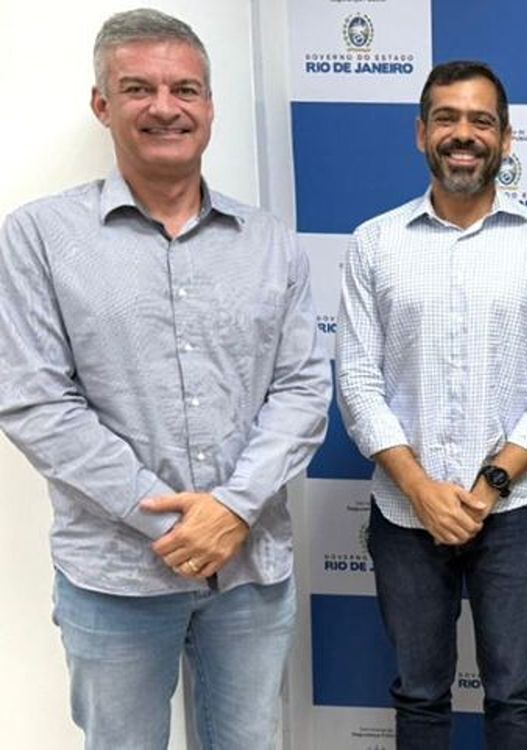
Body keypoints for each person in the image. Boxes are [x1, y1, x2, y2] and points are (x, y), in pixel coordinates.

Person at [0, 9, 332, 749]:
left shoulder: (270, 243)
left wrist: (233, 510)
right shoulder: (38, 237)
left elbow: (303, 390)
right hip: (115, 577)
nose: (164, 107)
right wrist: (175, 527)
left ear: (209, 105)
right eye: (138, 89)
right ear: (102, 104)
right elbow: (35, 401)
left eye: (185, 89)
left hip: (248, 572)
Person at [335, 60, 527, 749]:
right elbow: (356, 380)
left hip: (513, 513)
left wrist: (486, 488)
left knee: (512, 695)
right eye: (447, 118)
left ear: (505, 138)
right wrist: (420, 490)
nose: (464, 134)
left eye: (482, 121)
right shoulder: (375, 242)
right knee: (419, 695)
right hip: (404, 513)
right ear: (422, 133)